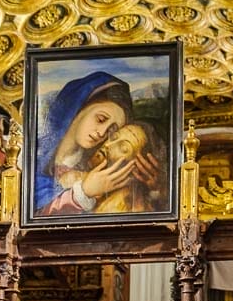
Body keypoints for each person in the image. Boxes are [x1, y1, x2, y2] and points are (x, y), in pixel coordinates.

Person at [33, 71, 157, 216]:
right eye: (101, 119)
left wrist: (154, 191)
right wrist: (84, 192)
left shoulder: (93, 170)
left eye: (111, 130)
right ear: (81, 107)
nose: (102, 133)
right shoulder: (34, 155)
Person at [90, 121, 165, 214]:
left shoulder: (119, 206)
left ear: (139, 167)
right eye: (113, 137)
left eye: (123, 148)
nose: (108, 145)